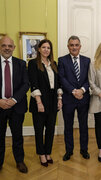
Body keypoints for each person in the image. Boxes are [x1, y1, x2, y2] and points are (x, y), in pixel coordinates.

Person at [28, 39, 62, 167]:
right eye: (44, 47)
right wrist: (39, 102)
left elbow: (58, 84)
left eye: (48, 48)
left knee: (50, 129)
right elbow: (34, 84)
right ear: (39, 49)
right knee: (39, 130)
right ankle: (41, 154)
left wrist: (59, 99)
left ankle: (48, 152)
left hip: (53, 101)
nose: (46, 50)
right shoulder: (33, 64)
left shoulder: (54, 64)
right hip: (39, 101)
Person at [58, 35, 90, 161]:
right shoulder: (62, 60)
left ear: (80, 46)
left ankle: (84, 149)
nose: (74, 47)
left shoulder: (87, 61)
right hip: (68, 99)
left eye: (76, 45)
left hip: (83, 98)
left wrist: (82, 90)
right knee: (68, 126)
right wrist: (73, 91)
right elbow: (62, 78)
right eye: (71, 45)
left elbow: (89, 79)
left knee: (83, 125)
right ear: (68, 47)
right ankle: (69, 150)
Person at [0, 36, 29, 173]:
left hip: (16, 107)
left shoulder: (21, 64)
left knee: (17, 136)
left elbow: (26, 84)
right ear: (0, 47)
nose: (7, 48)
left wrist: (14, 100)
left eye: (9, 46)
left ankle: (19, 161)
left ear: (14, 48)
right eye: (4, 45)